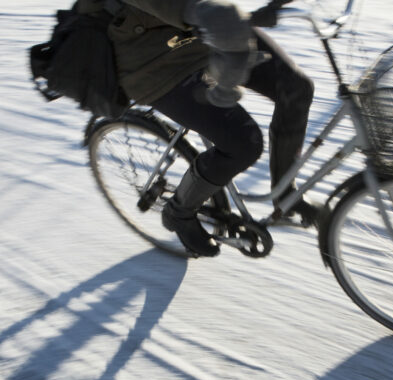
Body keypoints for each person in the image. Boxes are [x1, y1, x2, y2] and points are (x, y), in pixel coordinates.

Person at [78, 0, 316, 256]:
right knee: (243, 143)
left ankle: (285, 194)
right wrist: (200, 11)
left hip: (206, 31)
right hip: (154, 61)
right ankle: (179, 212)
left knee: (295, 88)